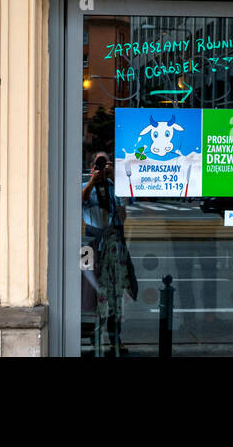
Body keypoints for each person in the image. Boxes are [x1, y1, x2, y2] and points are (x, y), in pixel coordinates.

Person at [81, 152, 137, 355]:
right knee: (92, 294)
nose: (103, 166)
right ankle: (95, 339)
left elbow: (122, 217)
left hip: (113, 244)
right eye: (99, 163)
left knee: (115, 294)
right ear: (92, 166)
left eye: (106, 163)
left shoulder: (115, 186)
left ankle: (115, 340)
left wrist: (118, 182)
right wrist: (93, 181)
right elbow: (80, 201)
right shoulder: (85, 186)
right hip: (92, 243)